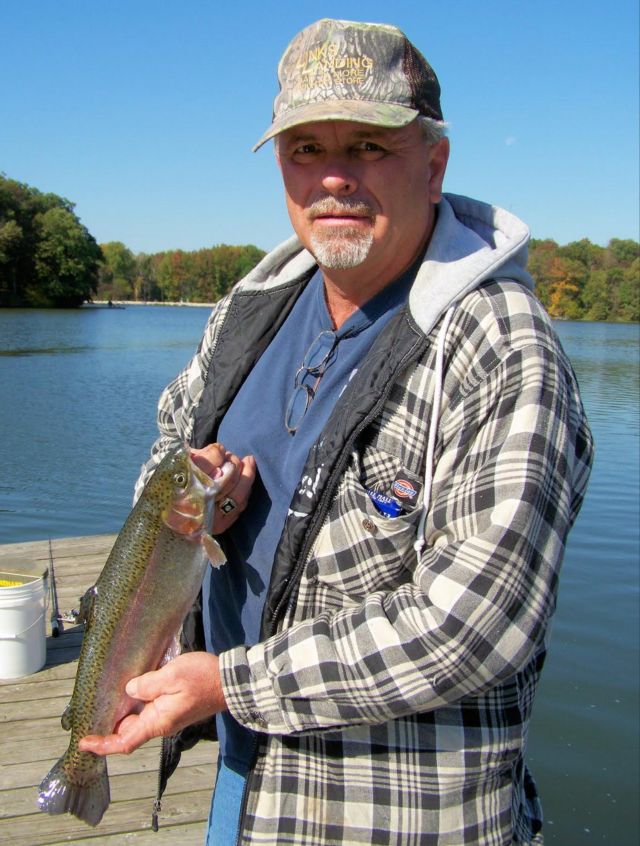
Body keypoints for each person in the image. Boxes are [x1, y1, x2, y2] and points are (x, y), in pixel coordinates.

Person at [80, 19, 594, 846]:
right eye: (304, 149)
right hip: (246, 785)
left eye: (367, 146)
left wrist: (230, 686)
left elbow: (471, 626)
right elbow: (163, 465)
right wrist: (189, 504)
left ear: (434, 162)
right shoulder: (251, 311)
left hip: (397, 814)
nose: (332, 178)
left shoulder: (503, 350)